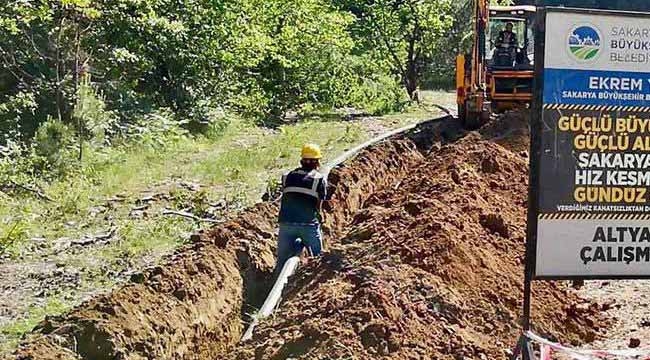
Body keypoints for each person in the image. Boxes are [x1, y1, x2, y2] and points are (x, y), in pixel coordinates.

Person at [274, 143, 328, 274]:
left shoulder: (286, 176)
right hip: (308, 225)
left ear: (301, 161)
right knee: (317, 260)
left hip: (286, 224)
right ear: (317, 163)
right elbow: (318, 204)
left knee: (281, 262)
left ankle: (275, 279)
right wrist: (319, 217)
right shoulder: (319, 180)